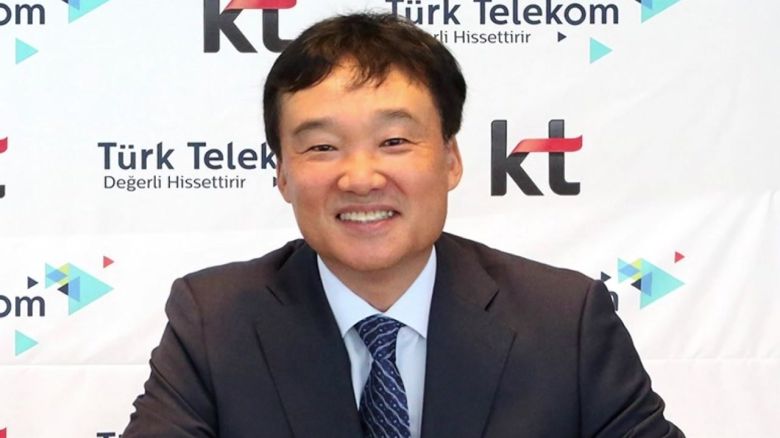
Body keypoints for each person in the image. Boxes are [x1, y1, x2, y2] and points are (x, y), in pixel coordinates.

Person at [123, 13, 683, 438]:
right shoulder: (215, 321)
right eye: (322, 147)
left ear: (451, 160)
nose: (361, 178)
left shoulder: (564, 320)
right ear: (284, 176)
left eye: (394, 141)